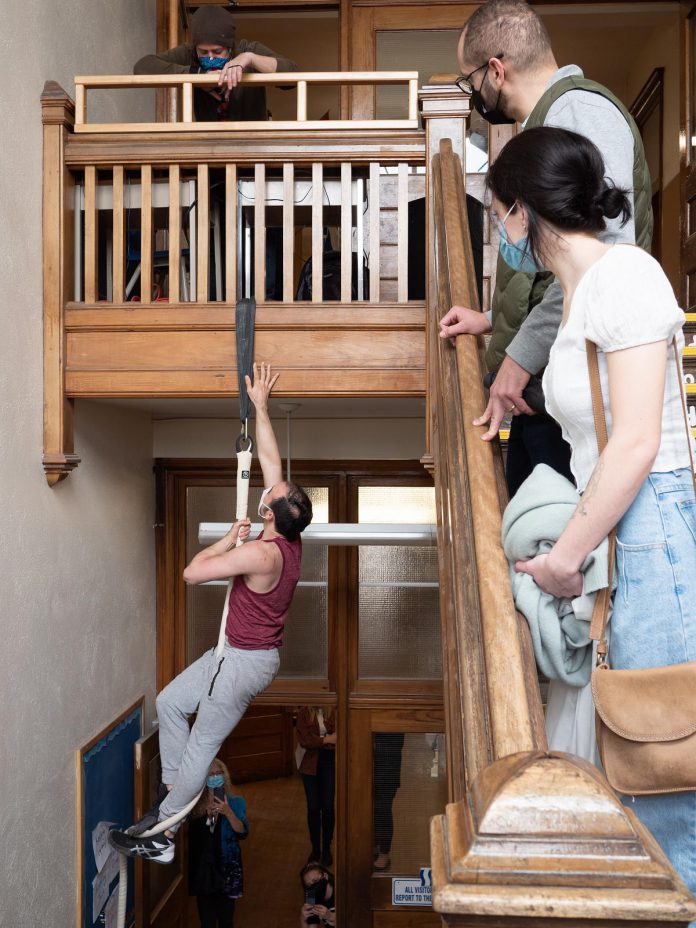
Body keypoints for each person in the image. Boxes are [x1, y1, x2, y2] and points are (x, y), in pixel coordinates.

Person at [487, 124, 696, 896]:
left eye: (499, 216)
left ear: (524, 209)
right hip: (616, 531)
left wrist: (566, 556)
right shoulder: (576, 295)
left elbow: (638, 441)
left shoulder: (627, 276)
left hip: (651, 528)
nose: (501, 234)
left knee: (660, 774)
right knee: (625, 768)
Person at [439, 0, 652, 497]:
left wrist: (519, 356)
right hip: (548, 383)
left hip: (568, 386)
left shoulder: (579, 112)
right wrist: (494, 317)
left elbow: (595, 259)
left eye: (470, 81)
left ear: (495, 69)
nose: (473, 94)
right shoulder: (550, 118)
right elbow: (551, 265)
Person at [109, 362, 313, 863]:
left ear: (268, 513)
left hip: (244, 663)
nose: (273, 484)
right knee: (172, 701)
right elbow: (271, 461)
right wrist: (261, 406)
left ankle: (162, 835)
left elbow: (191, 574)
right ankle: (177, 794)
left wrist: (225, 538)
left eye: (273, 493)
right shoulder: (285, 533)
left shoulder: (261, 554)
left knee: (203, 740)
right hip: (231, 653)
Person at [134, 6, 298, 122]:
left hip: (253, 146)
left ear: (229, 46)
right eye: (204, 52)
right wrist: (196, 75)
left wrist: (250, 58)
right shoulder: (189, 53)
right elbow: (142, 67)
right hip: (211, 148)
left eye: (218, 51)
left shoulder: (248, 49)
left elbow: (292, 77)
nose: (210, 57)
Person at [189, 758, 248, 928]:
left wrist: (228, 812)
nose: (215, 777)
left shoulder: (236, 802)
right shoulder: (195, 805)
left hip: (227, 868)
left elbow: (243, 832)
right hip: (205, 868)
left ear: (225, 775)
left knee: (226, 920)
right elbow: (199, 837)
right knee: (206, 921)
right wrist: (208, 816)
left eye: (218, 773)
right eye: (211, 774)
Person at [296, 706, 337, 867]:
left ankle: (327, 848)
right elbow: (305, 740)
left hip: (330, 763)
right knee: (313, 807)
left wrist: (317, 741)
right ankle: (315, 849)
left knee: (327, 807)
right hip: (309, 764)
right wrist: (326, 739)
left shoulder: (333, 709)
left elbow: (339, 735)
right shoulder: (304, 712)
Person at [372, 732, 404, 871]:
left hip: (388, 772)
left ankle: (384, 853)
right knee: (372, 811)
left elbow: (394, 746)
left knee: (383, 810)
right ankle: (375, 845)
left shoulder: (394, 721)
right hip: (369, 769)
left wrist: (372, 746)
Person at [300, 862, 336, 928]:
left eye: (315, 881)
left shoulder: (342, 890)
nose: (313, 887)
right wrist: (303, 920)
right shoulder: (311, 896)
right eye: (309, 886)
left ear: (325, 876)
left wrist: (331, 916)